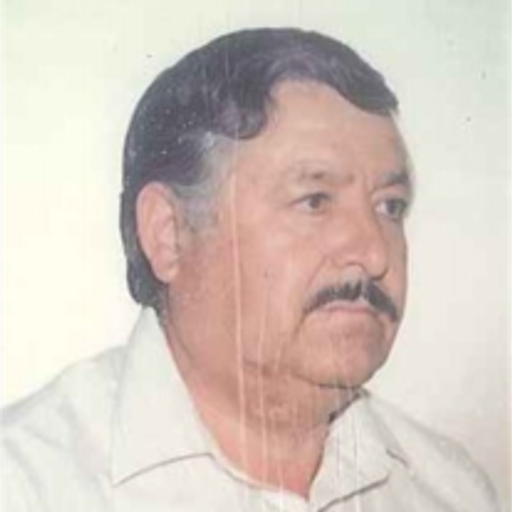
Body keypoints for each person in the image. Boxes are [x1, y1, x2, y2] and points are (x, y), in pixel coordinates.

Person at [0, 28, 499, 511]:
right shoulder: (27, 486)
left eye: (390, 206)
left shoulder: (452, 491)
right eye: (315, 200)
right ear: (168, 234)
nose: (374, 254)